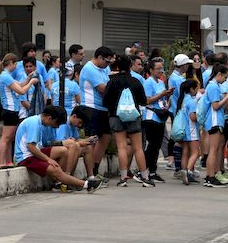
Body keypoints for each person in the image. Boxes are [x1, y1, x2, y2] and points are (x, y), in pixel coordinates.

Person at [13, 106, 102, 192]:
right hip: (26, 157)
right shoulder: (34, 123)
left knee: (63, 151)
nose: (57, 127)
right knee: (56, 170)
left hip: (35, 152)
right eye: (56, 124)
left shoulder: (38, 122)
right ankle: (86, 185)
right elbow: (31, 147)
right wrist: (48, 160)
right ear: (49, 118)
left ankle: (61, 181)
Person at [103, 55, 153, 187]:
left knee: (121, 147)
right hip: (133, 116)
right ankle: (145, 177)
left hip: (116, 116)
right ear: (130, 66)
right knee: (138, 148)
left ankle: (123, 178)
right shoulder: (136, 82)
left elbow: (105, 101)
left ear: (117, 67)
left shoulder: (112, 82)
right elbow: (143, 101)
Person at [0, 53, 40, 167]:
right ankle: (1, 162)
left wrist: (29, 77)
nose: (16, 67)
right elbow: (21, 91)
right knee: (5, 138)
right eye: (15, 64)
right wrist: (31, 83)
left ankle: (8, 162)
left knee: (10, 138)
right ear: (11, 63)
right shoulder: (5, 76)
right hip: (9, 109)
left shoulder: (7, 75)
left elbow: (20, 84)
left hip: (12, 110)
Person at [78, 46, 115, 179]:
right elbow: (103, 89)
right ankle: (90, 174)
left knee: (105, 137)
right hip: (90, 108)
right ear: (99, 57)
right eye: (107, 61)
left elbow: (110, 82)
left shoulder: (105, 68)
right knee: (92, 140)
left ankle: (95, 168)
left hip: (104, 108)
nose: (108, 65)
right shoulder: (89, 69)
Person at [142, 57, 174, 182]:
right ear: (151, 70)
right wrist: (162, 94)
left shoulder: (161, 82)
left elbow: (162, 100)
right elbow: (147, 100)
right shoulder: (148, 82)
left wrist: (167, 97)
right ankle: (144, 169)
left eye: (162, 68)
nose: (161, 71)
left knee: (156, 146)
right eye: (158, 69)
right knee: (152, 145)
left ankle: (153, 171)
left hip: (160, 116)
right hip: (150, 117)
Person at [202, 64, 228, 187]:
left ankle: (210, 176)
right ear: (219, 74)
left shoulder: (212, 85)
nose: (225, 80)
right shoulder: (214, 86)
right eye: (225, 77)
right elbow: (215, 106)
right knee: (213, 151)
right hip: (214, 121)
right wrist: (227, 98)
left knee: (213, 150)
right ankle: (210, 177)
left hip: (213, 120)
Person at [167, 53, 192, 173]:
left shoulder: (173, 77)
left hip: (175, 110)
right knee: (180, 138)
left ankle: (179, 166)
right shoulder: (179, 79)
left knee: (178, 137)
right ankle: (178, 168)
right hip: (179, 111)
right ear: (184, 65)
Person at [174, 79, 201, 184]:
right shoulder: (192, 101)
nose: (197, 91)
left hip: (184, 129)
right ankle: (188, 171)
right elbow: (193, 117)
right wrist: (201, 117)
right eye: (196, 88)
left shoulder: (182, 99)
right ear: (191, 89)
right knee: (195, 152)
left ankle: (183, 170)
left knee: (185, 152)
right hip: (192, 129)